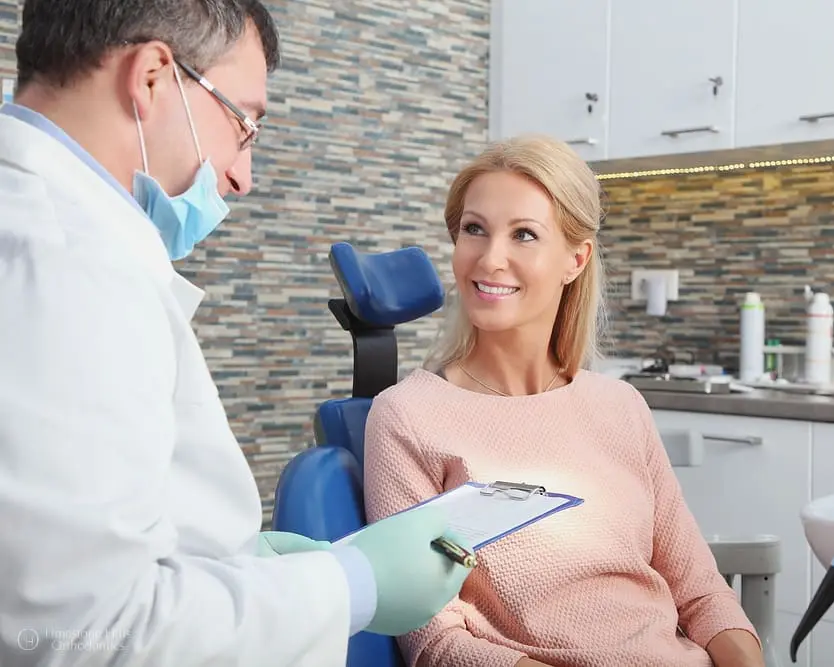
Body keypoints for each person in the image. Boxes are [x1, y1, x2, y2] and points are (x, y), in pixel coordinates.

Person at [0, 1, 471, 665]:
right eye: (244, 123)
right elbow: (79, 633)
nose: (242, 177)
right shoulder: (62, 266)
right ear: (154, 77)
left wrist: (237, 562)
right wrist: (353, 585)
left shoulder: (54, 239)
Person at [363, 134, 767, 667]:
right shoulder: (408, 417)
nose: (490, 259)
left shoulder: (620, 406)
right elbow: (435, 640)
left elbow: (702, 595)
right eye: (474, 230)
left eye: (524, 235)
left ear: (575, 260)